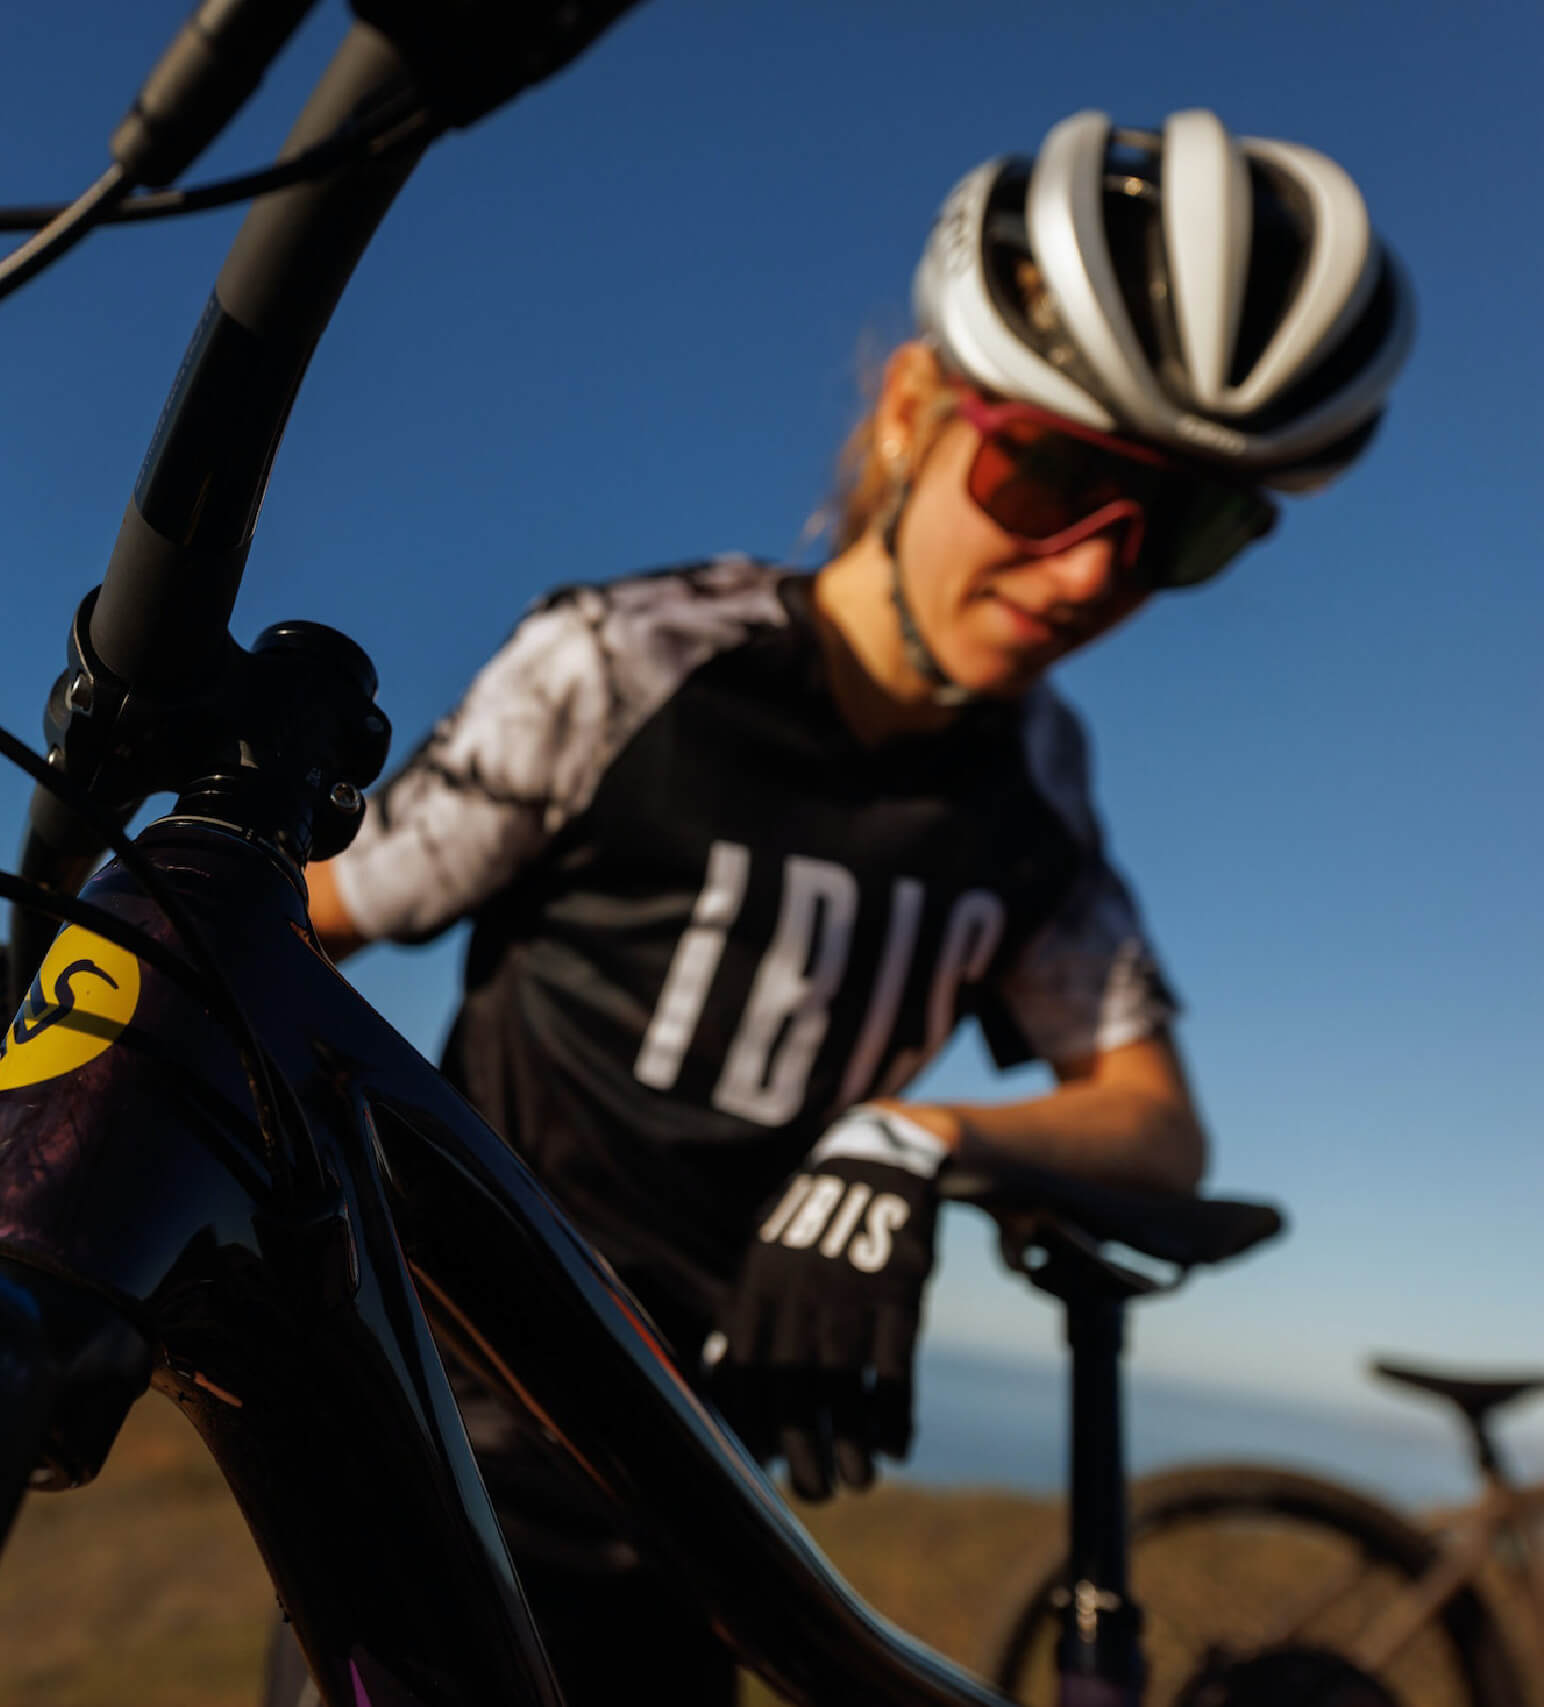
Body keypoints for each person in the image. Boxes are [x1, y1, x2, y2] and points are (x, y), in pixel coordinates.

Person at [287, 106, 1413, 1704]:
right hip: (451, 1450)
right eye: (1050, 472)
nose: (1094, 576)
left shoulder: (1038, 786)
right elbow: (316, 915)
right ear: (911, 414)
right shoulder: (623, 662)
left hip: (718, 1509)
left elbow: (1157, 1121)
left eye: (1186, 529)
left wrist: (913, 1139)